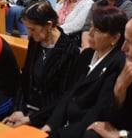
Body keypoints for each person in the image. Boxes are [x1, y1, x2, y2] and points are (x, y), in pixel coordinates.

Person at [42, 7, 127, 138]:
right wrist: (50, 125)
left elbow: (98, 111)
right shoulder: (87, 54)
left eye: (97, 30)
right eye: (91, 27)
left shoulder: (118, 64)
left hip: (85, 130)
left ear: (115, 38)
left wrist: (58, 134)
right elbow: (69, 93)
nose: (90, 33)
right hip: (64, 123)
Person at [3, 0, 79, 128]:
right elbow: (25, 77)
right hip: (26, 107)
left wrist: (31, 119)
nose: (29, 34)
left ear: (49, 25)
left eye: (32, 29)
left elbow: (63, 97)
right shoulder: (35, 41)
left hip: (48, 116)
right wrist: (18, 109)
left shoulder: (70, 51)